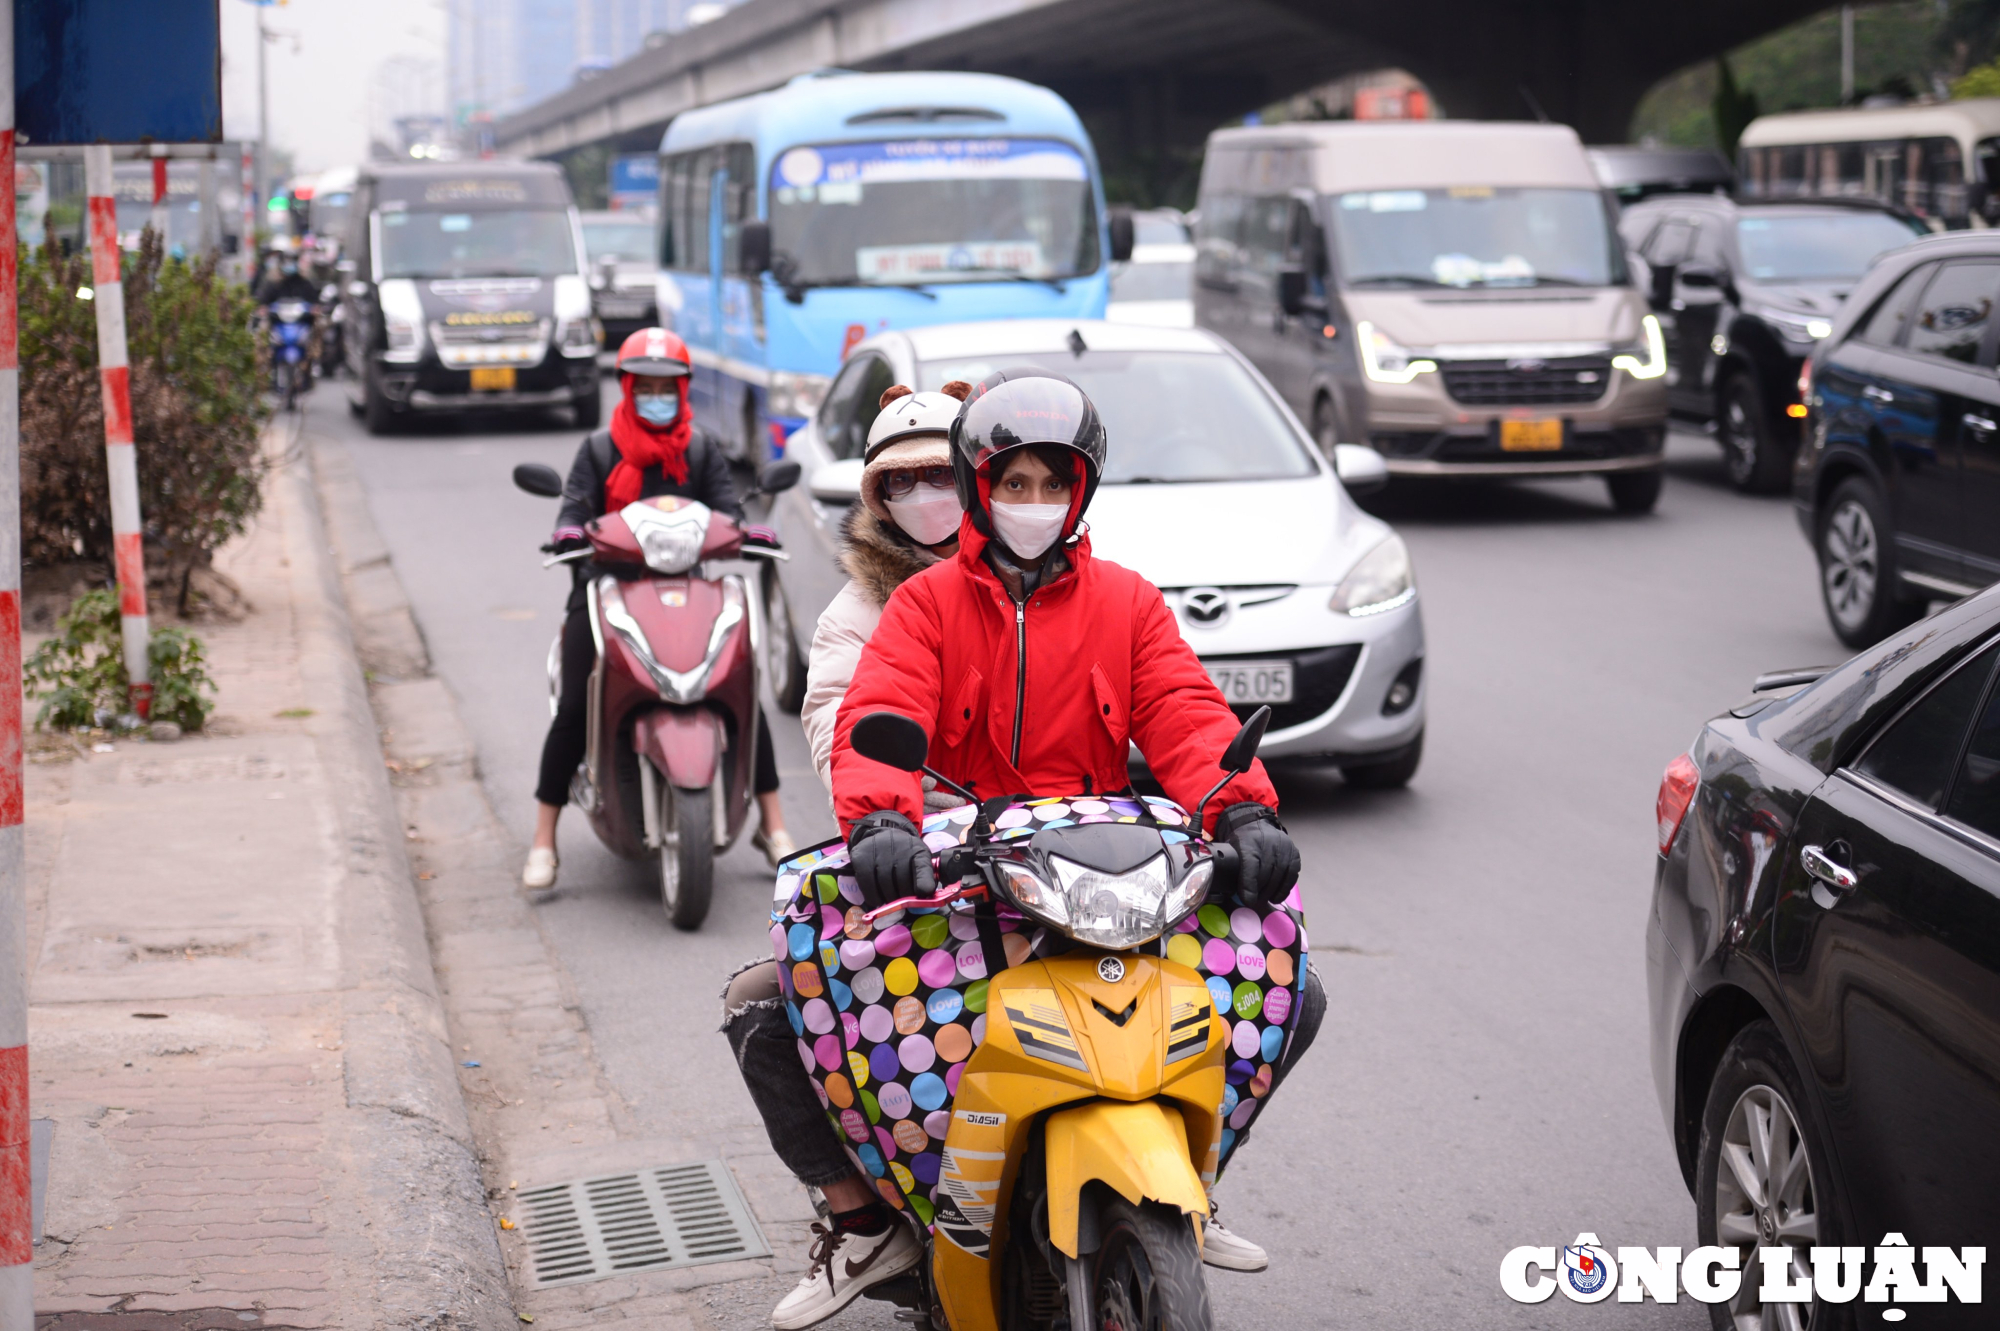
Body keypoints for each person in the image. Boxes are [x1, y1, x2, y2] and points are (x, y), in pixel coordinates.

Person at [727, 370, 1321, 1329]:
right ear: (979, 487)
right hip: (963, 880)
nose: (1034, 505)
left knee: (1294, 986)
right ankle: (881, 1216)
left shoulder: (1126, 602)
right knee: (783, 996)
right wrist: (883, 819)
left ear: (1081, 492)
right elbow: (877, 710)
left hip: (1107, 868)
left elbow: (1182, 708)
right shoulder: (921, 607)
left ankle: (1184, 1176)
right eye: (1015, 483)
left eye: (1055, 485)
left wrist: (1242, 809)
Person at [524, 328, 794, 889]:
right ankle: (544, 838)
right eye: (643, 386)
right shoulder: (600, 450)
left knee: (739, 683)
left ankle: (772, 823)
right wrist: (569, 531)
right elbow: (572, 507)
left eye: (665, 387)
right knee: (577, 701)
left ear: (683, 390)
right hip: (605, 590)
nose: (655, 395)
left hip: (689, 593)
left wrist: (750, 531)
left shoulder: (698, 449)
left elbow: (727, 511)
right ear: (625, 387)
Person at [799, 380, 972, 794]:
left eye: (938, 474)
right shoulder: (853, 613)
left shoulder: (1021, 578)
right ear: (880, 494)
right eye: (900, 479)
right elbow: (834, 713)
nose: (922, 493)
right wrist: (890, 798)